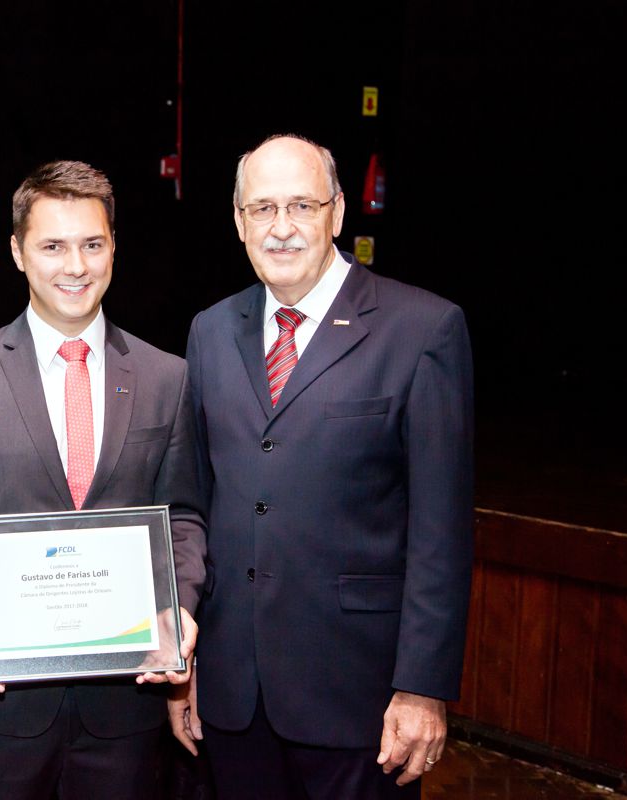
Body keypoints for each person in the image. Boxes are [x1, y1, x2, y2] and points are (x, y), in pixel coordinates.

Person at [171, 134, 473, 799]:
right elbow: (194, 504)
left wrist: (422, 688)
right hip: (233, 694)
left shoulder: (423, 330)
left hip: (358, 701)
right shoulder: (210, 331)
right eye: (262, 209)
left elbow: (440, 533)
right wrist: (183, 665)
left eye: (302, 206)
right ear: (238, 220)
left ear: (337, 212)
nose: (281, 228)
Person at [0, 161, 207, 800]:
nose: (76, 265)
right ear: (17, 252)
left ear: (114, 248)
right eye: (53, 246)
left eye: (92, 244)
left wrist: (179, 605)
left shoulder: (166, 378)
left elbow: (183, 517)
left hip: (122, 713)